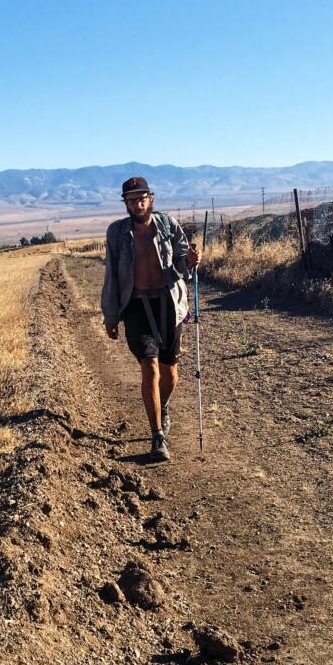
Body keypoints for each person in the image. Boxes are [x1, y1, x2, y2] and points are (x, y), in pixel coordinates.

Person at [101, 176, 199, 461]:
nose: (138, 203)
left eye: (142, 198)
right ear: (126, 204)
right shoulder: (117, 233)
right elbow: (112, 277)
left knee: (170, 375)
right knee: (150, 369)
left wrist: (190, 261)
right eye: (132, 200)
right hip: (136, 306)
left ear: (151, 198)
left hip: (168, 303)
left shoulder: (168, 226)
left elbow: (181, 264)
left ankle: (162, 406)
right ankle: (157, 436)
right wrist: (110, 315)